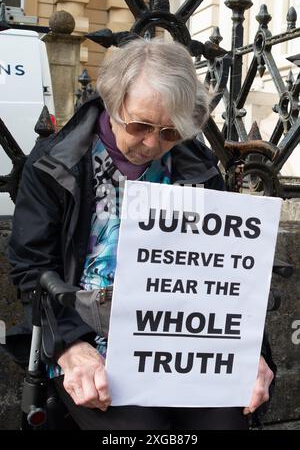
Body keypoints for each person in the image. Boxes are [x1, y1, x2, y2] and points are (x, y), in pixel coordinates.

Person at [7, 38, 275, 430]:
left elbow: (227, 274)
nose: (152, 144)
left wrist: (248, 352)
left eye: (169, 132)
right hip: (90, 340)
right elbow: (32, 268)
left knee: (227, 424)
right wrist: (72, 348)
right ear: (113, 104)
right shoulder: (55, 164)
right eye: (140, 126)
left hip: (185, 344)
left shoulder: (198, 168)